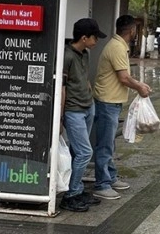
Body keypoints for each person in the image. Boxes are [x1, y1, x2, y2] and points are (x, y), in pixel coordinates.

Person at [93, 15, 151, 200]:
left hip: (111, 101)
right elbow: (124, 78)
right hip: (107, 102)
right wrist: (140, 87)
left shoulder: (119, 46)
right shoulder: (117, 47)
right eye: (135, 29)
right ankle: (102, 184)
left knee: (109, 142)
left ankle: (109, 177)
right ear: (132, 30)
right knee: (104, 144)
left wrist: (139, 85)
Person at [60, 18, 107, 212]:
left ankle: (77, 189)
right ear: (85, 37)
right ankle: (70, 195)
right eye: (95, 37)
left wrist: (91, 98)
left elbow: (84, 78)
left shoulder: (85, 54)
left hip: (88, 107)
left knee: (77, 151)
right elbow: (62, 88)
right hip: (73, 111)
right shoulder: (66, 56)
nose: (97, 41)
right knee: (85, 152)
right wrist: (60, 117)